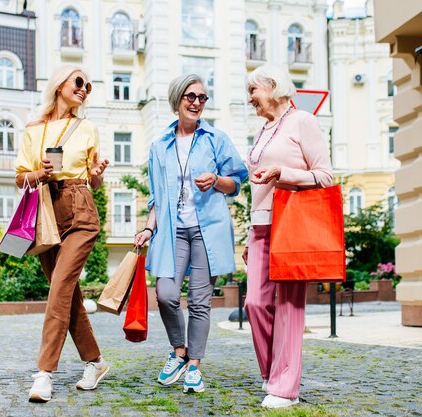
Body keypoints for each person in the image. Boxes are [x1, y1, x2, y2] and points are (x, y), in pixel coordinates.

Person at [134, 74, 248, 393]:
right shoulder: (159, 146)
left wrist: (216, 180)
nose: (196, 102)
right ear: (177, 100)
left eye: (202, 97)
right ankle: (179, 351)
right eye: (190, 96)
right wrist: (147, 228)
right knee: (166, 295)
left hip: (206, 230)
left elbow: (238, 181)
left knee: (199, 302)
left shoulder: (216, 138)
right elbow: (156, 196)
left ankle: (194, 364)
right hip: (172, 232)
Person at [14, 65, 110, 403]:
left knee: (59, 288)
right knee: (69, 296)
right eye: (79, 82)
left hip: (81, 207)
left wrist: (97, 174)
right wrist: (41, 172)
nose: (85, 89)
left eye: (89, 86)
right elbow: (20, 178)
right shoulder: (33, 130)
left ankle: (44, 373)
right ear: (59, 84)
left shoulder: (87, 128)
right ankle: (95, 362)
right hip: (45, 211)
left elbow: (94, 182)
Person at [242, 64, 333, 409]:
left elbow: (325, 175)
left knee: (290, 309)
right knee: (254, 304)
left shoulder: (303, 122)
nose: (249, 98)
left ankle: (284, 388)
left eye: (253, 90)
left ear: (275, 86)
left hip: (291, 224)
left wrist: (286, 173)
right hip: (261, 227)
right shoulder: (264, 130)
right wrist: (250, 232)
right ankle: (272, 374)